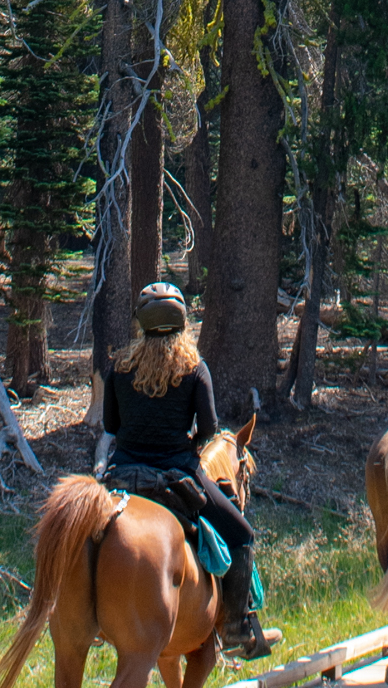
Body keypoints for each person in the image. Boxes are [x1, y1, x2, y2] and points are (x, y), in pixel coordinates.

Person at [97, 282, 273, 659]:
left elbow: (111, 425)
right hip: (178, 476)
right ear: (181, 322)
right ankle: (235, 626)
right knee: (242, 535)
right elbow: (209, 432)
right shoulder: (194, 369)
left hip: (123, 475)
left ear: (142, 323)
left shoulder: (119, 367)